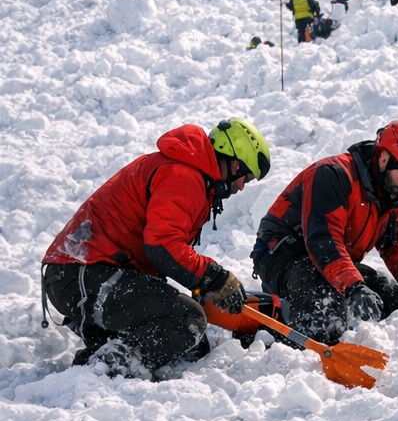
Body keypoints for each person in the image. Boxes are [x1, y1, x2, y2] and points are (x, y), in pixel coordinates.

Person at [41, 119, 270, 377]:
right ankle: (104, 372)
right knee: (187, 320)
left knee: (191, 346)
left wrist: (204, 284)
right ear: (235, 164)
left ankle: (95, 364)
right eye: (245, 178)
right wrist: (215, 277)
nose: (241, 187)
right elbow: (162, 245)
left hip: (82, 276)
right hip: (84, 274)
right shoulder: (184, 175)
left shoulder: (186, 170)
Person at [250, 120, 398, 343]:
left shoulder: (391, 192)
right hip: (283, 256)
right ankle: (285, 347)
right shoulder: (333, 175)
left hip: (329, 265)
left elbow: (395, 242)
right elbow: (323, 241)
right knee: (327, 306)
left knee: (392, 300)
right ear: (384, 159)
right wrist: (354, 287)